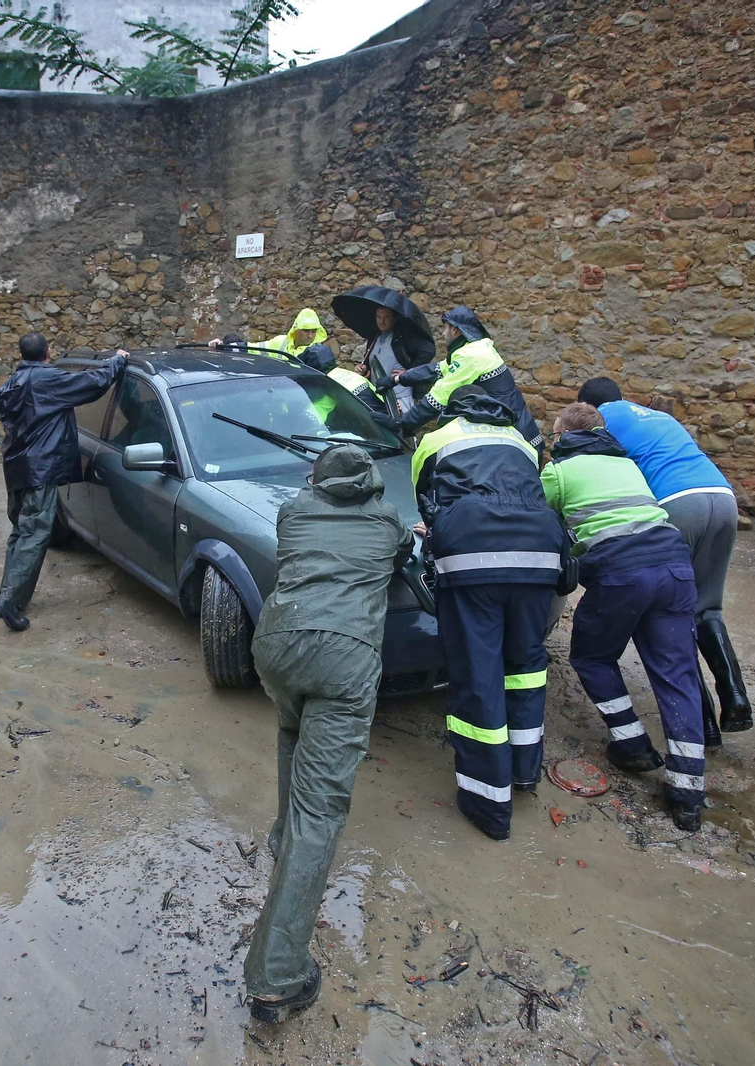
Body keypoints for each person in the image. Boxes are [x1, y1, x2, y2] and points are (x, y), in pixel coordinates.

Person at [244, 444, 414, 1023]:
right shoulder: (387, 519)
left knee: (293, 730)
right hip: (344, 656)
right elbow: (401, 549)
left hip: (276, 643)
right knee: (322, 810)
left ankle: (279, 840)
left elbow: (315, 503)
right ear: (371, 485)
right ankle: (278, 977)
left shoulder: (293, 511)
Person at [412, 386, 570, 840]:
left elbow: (425, 498)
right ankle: (523, 773)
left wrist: (441, 526)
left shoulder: (434, 439)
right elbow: (531, 492)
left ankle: (488, 805)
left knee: (478, 672)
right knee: (524, 665)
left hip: (473, 556)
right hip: (539, 553)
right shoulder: (521, 438)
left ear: (452, 409)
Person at [542, 403, 706, 830]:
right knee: (677, 673)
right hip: (675, 567)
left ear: (563, 438)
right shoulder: (628, 465)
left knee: (593, 657)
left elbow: (534, 518)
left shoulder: (558, 472)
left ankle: (631, 743)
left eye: (552, 436)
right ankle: (688, 793)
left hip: (622, 573)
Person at [577, 378, 750, 746]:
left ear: (589, 405)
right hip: (721, 498)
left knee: (672, 613)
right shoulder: (658, 417)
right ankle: (735, 696)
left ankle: (703, 726)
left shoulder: (600, 420)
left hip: (675, 503)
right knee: (707, 606)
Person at [0, 333, 127, 631]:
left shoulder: (13, 383)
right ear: (48, 353)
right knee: (35, 533)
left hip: (17, 468)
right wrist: (117, 360)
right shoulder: (45, 381)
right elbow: (92, 385)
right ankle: (10, 602)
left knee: (21, 532)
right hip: (39, 469)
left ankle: (9, 594)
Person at [392, 307, 545, 449]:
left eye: (445, 329)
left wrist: (402, 423)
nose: (443, 334)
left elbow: (438, 398)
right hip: (524, 436)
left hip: (517, 443)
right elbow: (437, 369)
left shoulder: (470, 357)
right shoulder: (476, 349)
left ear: (455, 330)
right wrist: (398, 379)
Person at [361, 305, 436, 418]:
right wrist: (365, 371)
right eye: (379, 317)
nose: (382, 321)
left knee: (401, 431)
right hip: (378, 398)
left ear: (394, 318)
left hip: (400, 397)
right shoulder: (374, 339)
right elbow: (374, 366)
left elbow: (428, 350)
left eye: (386, 317)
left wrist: (410, 372)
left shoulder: (402, 338)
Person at [298, 342, 394, 428]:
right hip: (390, 423)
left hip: (369, 431)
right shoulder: (352, 375)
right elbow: (381, 396)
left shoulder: (325, 384)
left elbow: (314, 415)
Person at [210, 308, 327, 363]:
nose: (310, 335)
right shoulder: (281, 342)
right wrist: (223, 347)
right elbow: (251, 349)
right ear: (296, 329)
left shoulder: (317, 352)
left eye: (314, 331)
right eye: (306, 331)